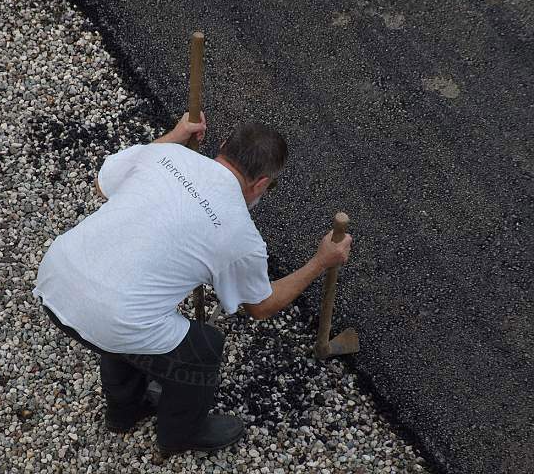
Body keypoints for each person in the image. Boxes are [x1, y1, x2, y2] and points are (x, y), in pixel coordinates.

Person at [32, 112, 352, 455]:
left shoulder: (165, 153)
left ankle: (124, 411)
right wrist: (320, 262)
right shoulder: (239, 233)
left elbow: (102, 184)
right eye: (268, 187)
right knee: (204, 347)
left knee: (129, 316)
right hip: (111, 318)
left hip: (55, 277)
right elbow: (261, 306)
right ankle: (181, 433)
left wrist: (176, 134)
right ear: (261, 184)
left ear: (224, 146)